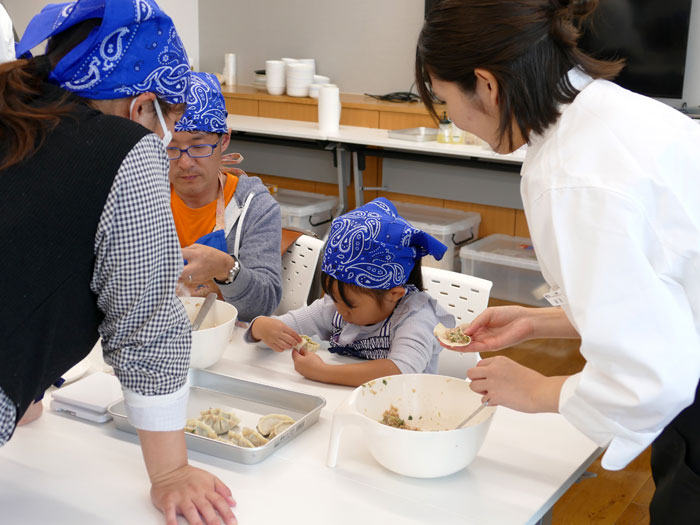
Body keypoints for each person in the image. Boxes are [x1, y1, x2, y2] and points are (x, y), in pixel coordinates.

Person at [415, 1, 700, 522]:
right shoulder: (608, 114)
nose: (449, 117)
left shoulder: (574, 177)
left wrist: (539, 390)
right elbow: (662, 292)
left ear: (486, 83)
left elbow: (653, 377)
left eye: (443, 98)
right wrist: (537, 321)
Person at [0, 2, 236, 524]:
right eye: (170, 126)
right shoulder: (124, 148)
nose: (170, 145)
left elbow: (29, 259)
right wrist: (172, 474)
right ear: (142, 107)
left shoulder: (18, 108)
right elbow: (145, 321)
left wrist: (23, 385)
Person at [247, 198, 454, 386]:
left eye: (350, 304)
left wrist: (323, 372)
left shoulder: (416, 317)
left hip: (407, 412)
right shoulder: (337, 305)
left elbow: (399, 372)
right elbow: (282, 332)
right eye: (335, 299)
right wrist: (260, 328)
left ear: (393, 294)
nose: (340, 311)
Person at [168, 72, 282, 322]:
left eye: (199, 147)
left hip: (223, 341)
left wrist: (226, 269)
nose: (185, 162)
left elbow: (264, 305)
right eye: (172, 148)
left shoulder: (254, 207)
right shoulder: (146, 198)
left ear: (224, 140)